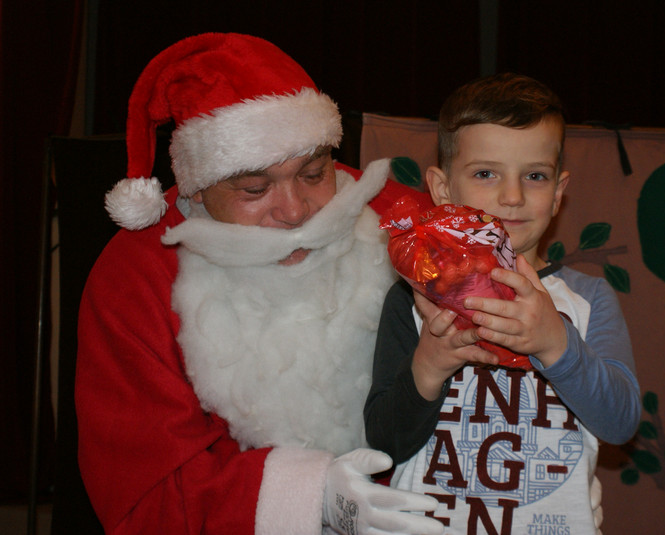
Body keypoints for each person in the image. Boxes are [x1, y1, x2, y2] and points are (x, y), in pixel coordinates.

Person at [76, 32, 444, 535]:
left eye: (314, 174)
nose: (294, 211)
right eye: (254, 188)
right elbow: (145, 497)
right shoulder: (135, 277)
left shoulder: (402, 220)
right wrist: (309, 496)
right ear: (198, 189)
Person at [364, 73, 641, 534]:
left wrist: (557, 343)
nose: (512, 197)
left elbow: (620, 422)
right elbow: (383, 445)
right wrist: (429, 366)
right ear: (442, 189)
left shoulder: (589, 299)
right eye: (485, 173)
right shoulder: (414, 296)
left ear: (558, 192)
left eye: (535, 176)